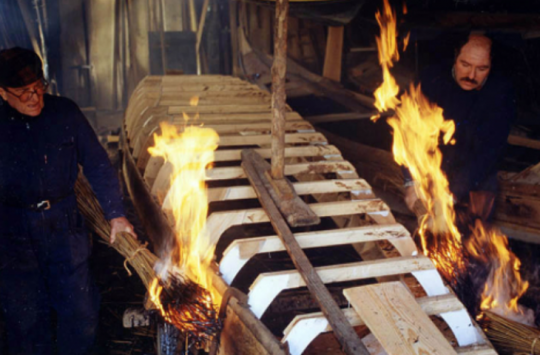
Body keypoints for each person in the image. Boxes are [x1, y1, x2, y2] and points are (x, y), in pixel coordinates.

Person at [0, 47, 136, 354]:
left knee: (81, 312)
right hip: (12, 230)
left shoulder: (65, 113)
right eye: (23, 92)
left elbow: (99, 164)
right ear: (2, 92)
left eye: (38, 87)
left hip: (63, 223)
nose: (34, 97)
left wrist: (116, 213)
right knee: (26, 319)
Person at [404, 34, 516, 220]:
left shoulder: (501, 92)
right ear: (455, 57)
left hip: (476, 173)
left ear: (491, 66)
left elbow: (491, 150)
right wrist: (411, 181)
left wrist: (452, 194)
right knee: (425, 226)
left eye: (481, 69)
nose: (471, 76)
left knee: (472, 233)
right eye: (465, 65)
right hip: (434, 165)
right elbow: (409, 132)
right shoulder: (431, 79)